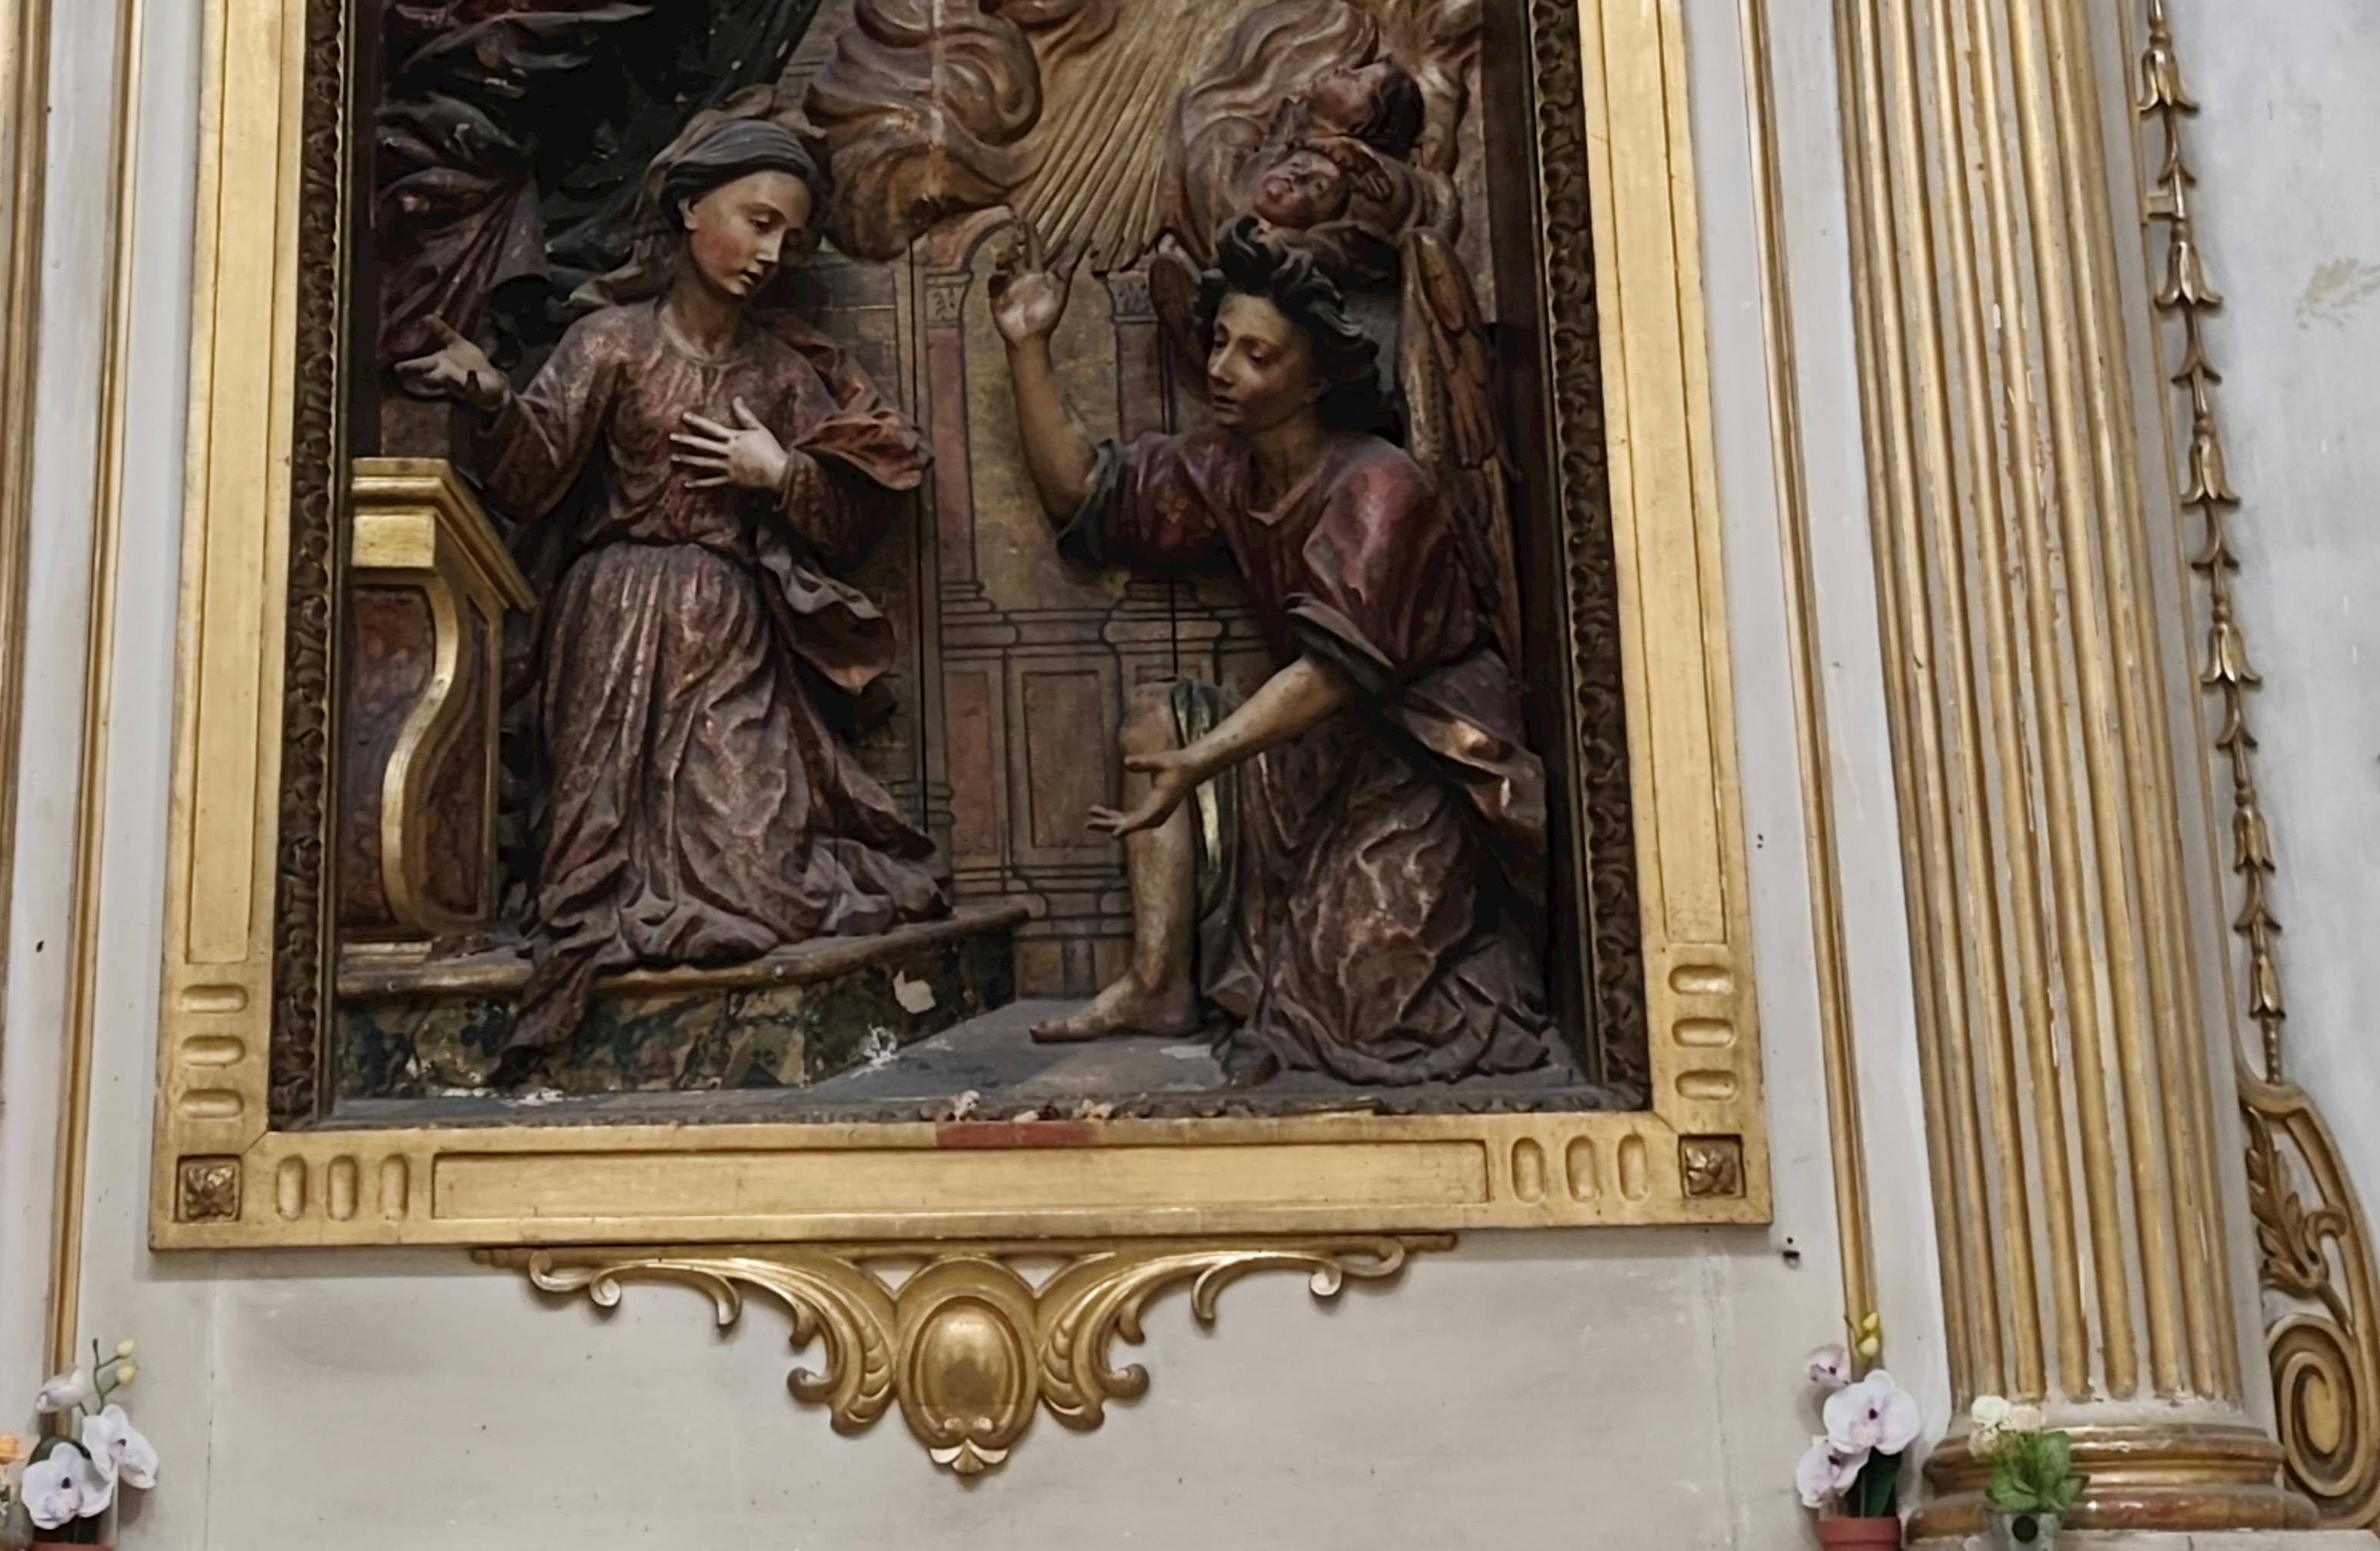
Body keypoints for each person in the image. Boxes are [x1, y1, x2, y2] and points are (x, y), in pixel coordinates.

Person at [407, 114, 936, 1062]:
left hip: (730, 636)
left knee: (762, 871)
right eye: (758, 221)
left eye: (789, 237)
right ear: (691, 208)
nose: (771, 253)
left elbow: (851, 524)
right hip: (610, 620)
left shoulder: (778, 374)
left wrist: (781, 475)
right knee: (587, 856)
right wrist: (491, 398)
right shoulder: (612, 343)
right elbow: (533, 478)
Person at [985, 225, 1556, 1088]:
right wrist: (1029, 344)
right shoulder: (1228, 470)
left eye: (1258, 355)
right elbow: (1086, 493)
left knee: (1363, 1003)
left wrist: (1200, 762)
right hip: (1313, 753)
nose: (1222, 368)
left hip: (1426, 760)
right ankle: (1156, 983)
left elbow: (1334, 670)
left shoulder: (1380, 486)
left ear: (1316, 375)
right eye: (1220, 341)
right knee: (1157, 714)